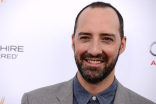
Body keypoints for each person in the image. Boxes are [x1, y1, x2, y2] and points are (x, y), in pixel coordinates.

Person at [21, 2, 155, 104]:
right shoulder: (32, 100)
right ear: (73, 42)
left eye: (107, 39)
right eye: (85, 37)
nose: (94, 50)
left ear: (122, 45)